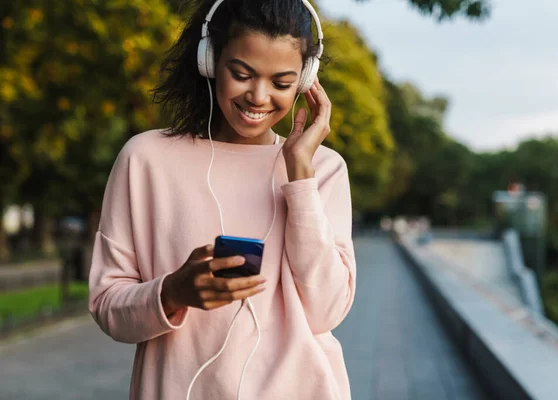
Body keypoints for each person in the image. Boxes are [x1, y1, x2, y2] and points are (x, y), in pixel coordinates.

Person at [87, 0, 357, 399]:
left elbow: (327, 311)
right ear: (209, 61)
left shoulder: (324, 168)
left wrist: (300, 174)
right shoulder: (145, 160)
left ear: (305, 81)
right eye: (242, 74)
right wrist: (173, 292)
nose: (259, 97)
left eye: (282, 83)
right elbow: (107, 306)